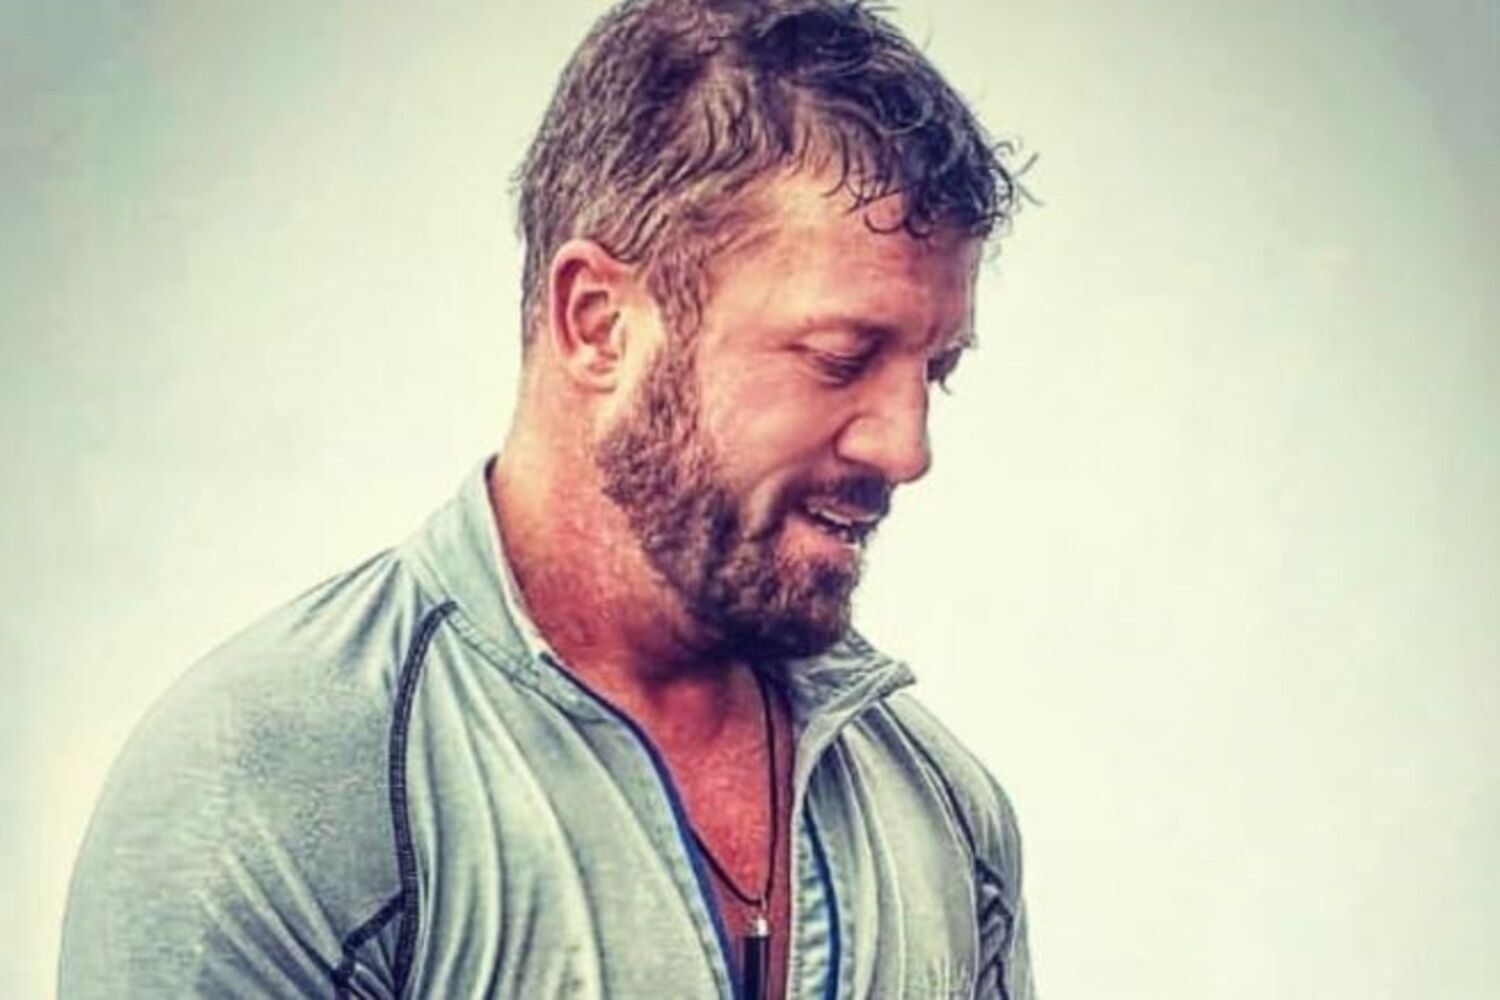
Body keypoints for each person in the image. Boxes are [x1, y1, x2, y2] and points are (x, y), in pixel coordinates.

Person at [59, 1, 1034, 996]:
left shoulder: (946, 814)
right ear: (598, 322)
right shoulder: (271, 789)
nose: (907, 448)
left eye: (936, 371)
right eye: (841, 356)